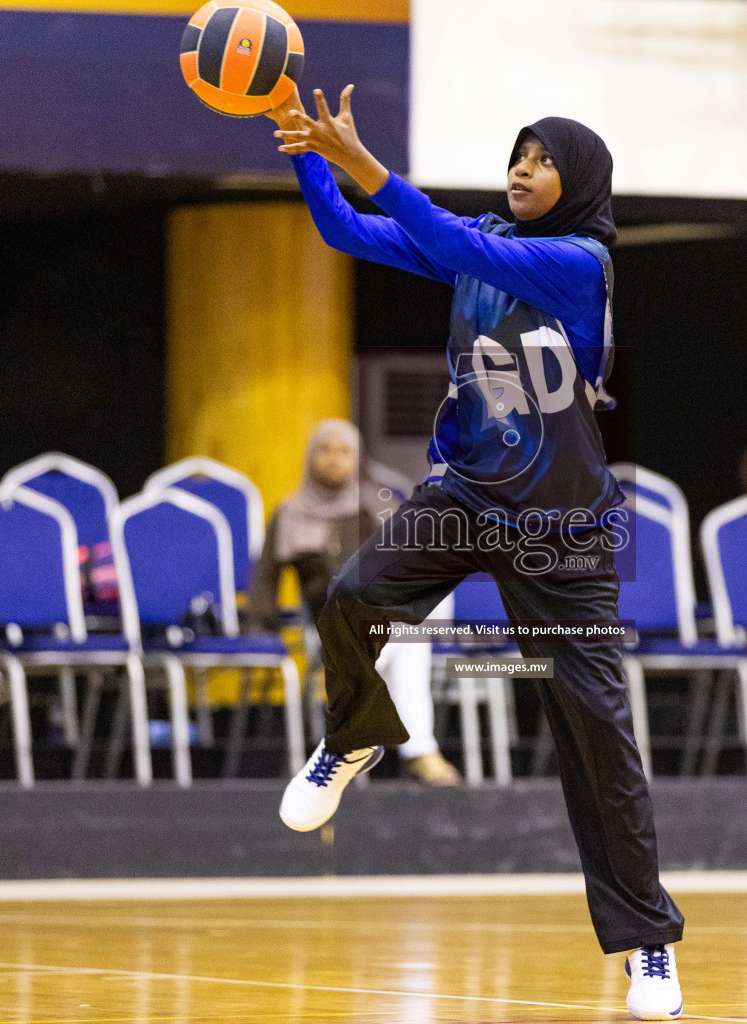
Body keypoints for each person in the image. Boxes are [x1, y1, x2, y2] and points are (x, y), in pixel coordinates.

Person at [267, 88, 685, 1019]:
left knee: (596, 738)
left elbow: (460, 249)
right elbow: (342, 229)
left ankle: (648, 945)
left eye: (543, 158)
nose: (522, 165)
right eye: (517, 152)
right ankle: (357, 739)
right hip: (465, 497)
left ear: (577, 182)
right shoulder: (480, 239)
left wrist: (366, 161)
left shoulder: (580, 263)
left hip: (563, 529)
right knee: (350, 597)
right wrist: (304, 148)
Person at [249, 419, 461, 786]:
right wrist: (259, 626)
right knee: (405, 634)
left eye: (344, 451)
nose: (334, 459)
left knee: (404, 631)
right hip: (328, 622)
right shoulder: (289, 512)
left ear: (357, 457)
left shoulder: (374, 505)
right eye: (325, 450)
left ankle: (353, 740)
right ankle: (416, 752)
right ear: (310, 455)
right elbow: (265, 575)